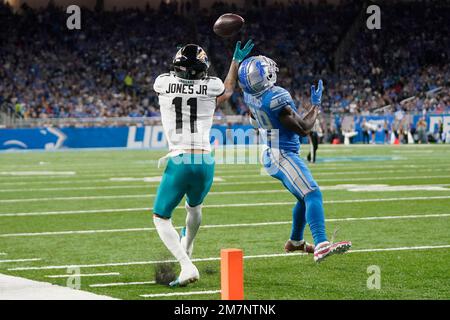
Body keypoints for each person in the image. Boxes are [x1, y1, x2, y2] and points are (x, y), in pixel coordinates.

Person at [152, 40, 254, 286]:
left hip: (180, 159)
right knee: (194, 208)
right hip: (206, 160)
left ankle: (186, 265)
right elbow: (226, 91)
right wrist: (235, 61)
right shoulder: (212, 86)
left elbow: (185, 90)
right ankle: (187, 247)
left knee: (161, 217)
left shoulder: (163, 82)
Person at [238, 56, 351, 262]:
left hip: (272, 151)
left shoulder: (249, 95)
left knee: (303, 197)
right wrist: (316, 105)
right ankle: (321, 244)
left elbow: (255, 123)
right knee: (313, 194)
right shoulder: (276, 97)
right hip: (282, 154)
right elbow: (303, 129)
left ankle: (296, 241)